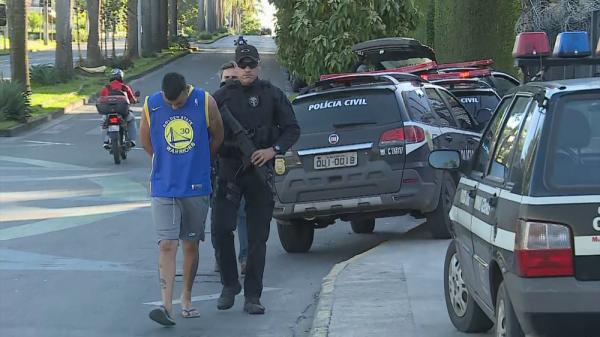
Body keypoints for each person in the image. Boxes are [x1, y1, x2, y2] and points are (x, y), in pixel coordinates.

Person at [212, 44, 300, 315]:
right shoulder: (220, 98)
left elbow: (292, 129)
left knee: (257, 240)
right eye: (242, 64)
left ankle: (252, 295)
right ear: (235, 67)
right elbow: (207, 133)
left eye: (252, 64)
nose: (247, 69)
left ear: (259, 66)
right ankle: (229, 284)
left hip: (259, 175)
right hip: (229, 172)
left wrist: (272, 150)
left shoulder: (272, 95)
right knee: (220, 230)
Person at [139, 72, 224, 326]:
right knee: (166, 243)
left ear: (186, 92)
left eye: (177, 103)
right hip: (164, 186)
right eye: (169, 103)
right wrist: (167, 163)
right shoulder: (152, 104)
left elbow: (218, 136)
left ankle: (186, 297)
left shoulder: (205, 102)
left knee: (190, 245)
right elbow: (146, 142)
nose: (173, 107)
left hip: (196, 187)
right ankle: (166, 306)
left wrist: (199, 160)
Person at [212, 61, 248, 275]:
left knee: (244, 215)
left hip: (244, 169)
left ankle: (244, 258)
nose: (231, 82)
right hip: (217, 172)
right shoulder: (211, 104)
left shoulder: (250, 104)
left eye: (235, 78)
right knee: (219, 222)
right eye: (227, 79)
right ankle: (222, 259)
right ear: (220, 80)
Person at [99, 68, 138, 149]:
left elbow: (101, 99)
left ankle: (105, 141)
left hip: (108, 112)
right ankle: (132, 140)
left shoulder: (105, 88)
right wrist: (135, 100)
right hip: (123, 112)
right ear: (121, 77)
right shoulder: (125, 87)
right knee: (132, 120)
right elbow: (132, 99)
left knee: (104, 123)